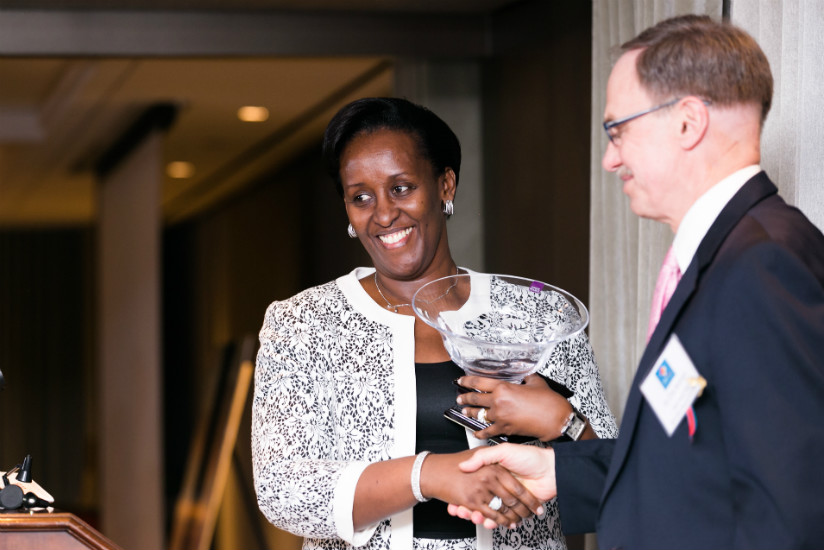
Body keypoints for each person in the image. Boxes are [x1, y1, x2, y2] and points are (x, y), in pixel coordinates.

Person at [448, 14, 824, 550]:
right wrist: (558, 470)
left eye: (617, 130)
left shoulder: (764, 264)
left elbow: (792, 508)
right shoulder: (723, 255)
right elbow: (699, 466)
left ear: (688, 122)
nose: (609, 159)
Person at [251, 96, 617, 550]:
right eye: (360, 197)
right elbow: (283, 490)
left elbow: (616, 479)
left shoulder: (538, 316)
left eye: (402, 188)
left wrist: (564, 422)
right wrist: (430, 474)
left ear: (445, 185)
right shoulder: (304, 324)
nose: (383, 214)